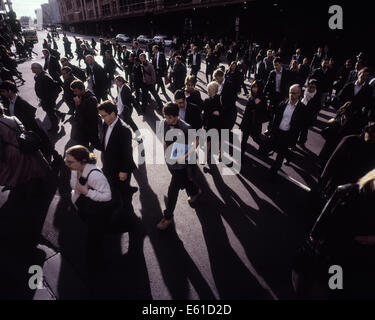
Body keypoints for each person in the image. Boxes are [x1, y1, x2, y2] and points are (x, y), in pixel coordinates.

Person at [296, 168, 375, 299]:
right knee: (335, 290)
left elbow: (322, 222)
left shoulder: (346, 190)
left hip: (335, 256)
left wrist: (313, 239)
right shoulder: (348, 192)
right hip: (352, 261)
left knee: (331, 287)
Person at [65, 145, 112, 280]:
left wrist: (87, 192)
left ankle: (96, 268)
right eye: (66, 160)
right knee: (92, 233)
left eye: (70, 161)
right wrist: (79, 188)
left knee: (94, 239)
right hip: (85, 208)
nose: (67, 164)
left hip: (97, 213)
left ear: (83, 161)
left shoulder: (96, 176)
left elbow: (107, 196)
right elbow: (73, 184)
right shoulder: (76, 168)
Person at [156, 103, 201, 230]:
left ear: (176, 116)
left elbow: (196, 141)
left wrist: (184, 156)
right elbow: (165, 139)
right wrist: (165, 152)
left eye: (170, 117)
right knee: (185, 182)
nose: (167, 120)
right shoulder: (164, 123)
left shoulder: (185, 127)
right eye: (166, 116)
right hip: (170, 163)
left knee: (173, 190)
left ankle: (167, 217)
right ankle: (195, 191)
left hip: (181, 165)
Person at [97, 101, 138, 225]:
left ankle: (129, 218)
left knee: (123, 194)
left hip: (120, 170)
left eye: (104, 115)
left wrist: (124, 171)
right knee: (114, 189)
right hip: (108, 166)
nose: (102, 118)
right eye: (101, 116)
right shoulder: (105, 123)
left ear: (113, 113)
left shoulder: (124, 130)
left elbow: (127, 153)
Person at [319, 122, 375, 198]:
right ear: (366, 130)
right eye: (371, 133)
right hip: (337, 181)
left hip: (354, 188)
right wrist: (323, 180)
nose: (372, 137)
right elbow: (333, 160)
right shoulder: (350, 140)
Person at [0, 107, 51, 190]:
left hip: (13, 151)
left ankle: (31, 191)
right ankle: (42, 186)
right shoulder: (13, 118)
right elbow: (23, 129)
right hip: (26, 144)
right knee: (34, 166)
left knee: (20, 173)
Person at [268, 84, 306, 176]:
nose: (291, 95)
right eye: (290, 92)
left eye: (294, 93)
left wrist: (298, 137)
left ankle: (274, 171)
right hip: (278, 132)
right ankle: (289, 155)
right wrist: (271, 129)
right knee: (274, 147)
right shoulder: (282, 104)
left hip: (288, 134)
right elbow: (275, 118)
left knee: (280, 153)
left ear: (299, 94)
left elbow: (302, 125)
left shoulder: (302, 108)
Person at [69, 80, 100, 150]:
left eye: (76, 91)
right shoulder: (81, 96)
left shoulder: (91, 99)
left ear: (82, 89)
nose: (74, 93)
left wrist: (78, 105)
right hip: (82, 129)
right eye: (73, 91)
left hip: (88, 130)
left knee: (88, 147)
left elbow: (90, 117)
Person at [31, 63, 61, 133]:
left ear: (38, 68)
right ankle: (60, 114)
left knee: (51, 114)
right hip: (44, 99)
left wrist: (45, 100)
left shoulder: (45, 77)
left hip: (48, 99)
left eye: (33, 68)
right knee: (50, 111)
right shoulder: (37, 75)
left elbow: (50, 91)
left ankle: (55, 127)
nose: (31, 69)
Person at [240, 80, 267, 151]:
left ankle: (265, 148)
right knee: (244, 140)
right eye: (253, 87)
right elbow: (247, 110)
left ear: (260, 88)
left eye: (256, 87)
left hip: (255, 123)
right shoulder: (252, 96)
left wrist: (256, 105)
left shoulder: (262, 98)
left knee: (256, 139)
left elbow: (263, 111)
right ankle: (241, 156)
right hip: (247, 121)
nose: (254, 89)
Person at [297, 79, 321, 148]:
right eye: (310, 87)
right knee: (297, 128)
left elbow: (318, 107)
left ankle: (302, 142)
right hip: (300, 112)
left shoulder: (317, 95)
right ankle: (294, 141)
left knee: (304, 130)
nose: (311, 89)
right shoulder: (303, 91)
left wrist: (313, 115)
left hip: (309, 115)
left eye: (313, 87)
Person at [202, 81, 223, 161]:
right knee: (208, 140)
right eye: (208, 89)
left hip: (218, 122)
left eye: (210, 89)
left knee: (220, 139)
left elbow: (223, 110)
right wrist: (204, 124)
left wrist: (219, 112)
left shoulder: (220, 98)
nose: (208, 91)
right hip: (210, 123)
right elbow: (205, 113)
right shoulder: (206, 100)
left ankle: (220, 153)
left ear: (215, 90)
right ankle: (205, 157)